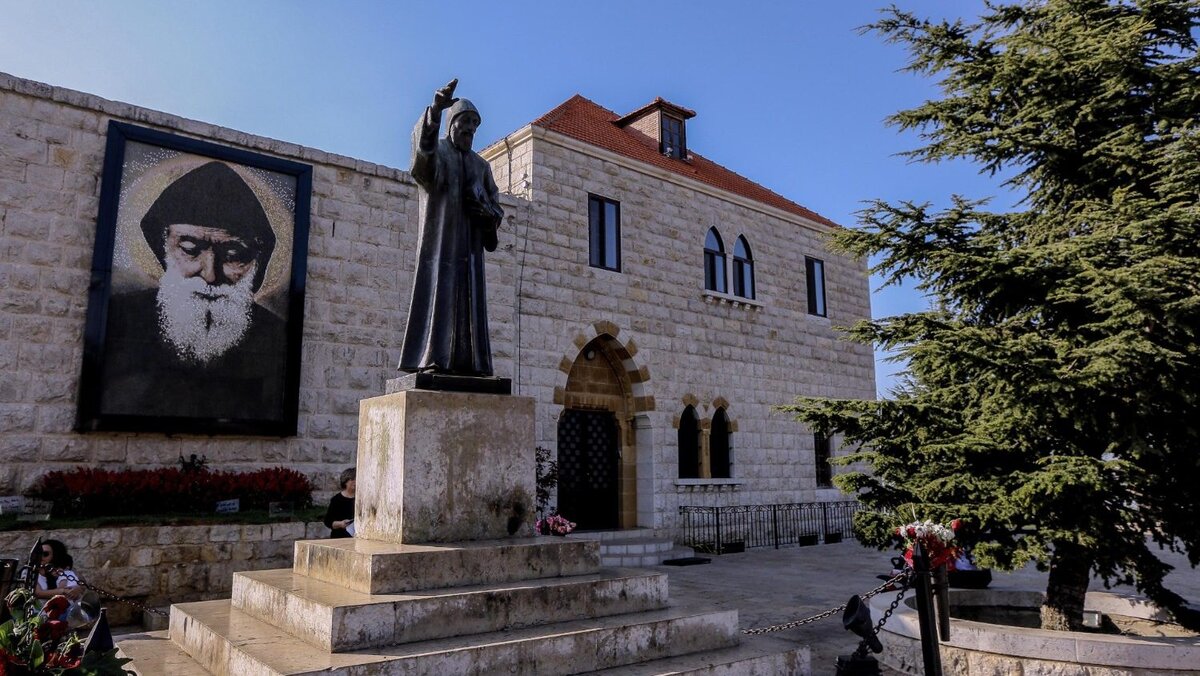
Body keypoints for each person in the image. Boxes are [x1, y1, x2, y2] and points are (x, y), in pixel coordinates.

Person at [100, 161, 288, 420]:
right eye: (189, 249)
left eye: (234, 254)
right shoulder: (120, 317)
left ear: (257, 264)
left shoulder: (278, 336)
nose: (210, 274)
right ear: (163, 247)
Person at [398, 78, 504, 377]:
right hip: (441, 244)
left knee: (469, 304)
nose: (470, 128)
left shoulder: (481, 167)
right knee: (438, 295)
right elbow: (422, 163)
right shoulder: (440, 152)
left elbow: (497, 209)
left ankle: (471, 365)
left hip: (469, 251)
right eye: (464, 121)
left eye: (474, 123)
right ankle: (432, 359)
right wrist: (434, 111)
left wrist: (486, 211)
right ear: (451, 125)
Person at [323, 467, 356, 538]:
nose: (355, 482)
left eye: (356, 479)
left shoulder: (360, 498)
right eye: (352, 479)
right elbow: (328, 521)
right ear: (345, 481)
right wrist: (341, 524)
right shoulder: (336, 500)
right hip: (339, 537)